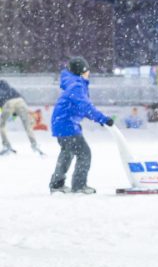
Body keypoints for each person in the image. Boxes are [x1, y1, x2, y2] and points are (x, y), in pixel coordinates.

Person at [49, 57, 113, 194]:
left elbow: (82, 108)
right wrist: (102, 118)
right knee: (84, 154)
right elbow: (85, 106)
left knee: (67, 153)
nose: (89, 72)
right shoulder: (77, 85)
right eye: (87, 70)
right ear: (82, 71)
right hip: (67, 124)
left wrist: (100, 119)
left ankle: (56, 184)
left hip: (61, 123)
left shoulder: (73, 83)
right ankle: (79, 185)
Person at [0, 79, 43, 155]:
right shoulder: (4, 83)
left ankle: (7, 146)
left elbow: (4, 102)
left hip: (7, 102)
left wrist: (9, 114)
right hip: (20, 101)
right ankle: (35, 145)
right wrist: (14, 115)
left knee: (1, 125)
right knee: (27, 126)